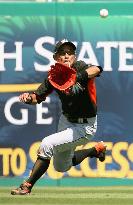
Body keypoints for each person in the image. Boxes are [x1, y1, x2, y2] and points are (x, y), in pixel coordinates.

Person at [11, 39, 106, 195]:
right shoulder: (54, 76)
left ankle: (26, 186)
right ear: (56, 58)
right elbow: (37, 97)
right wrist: (28, 98)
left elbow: (97, 69)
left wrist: (78, 76)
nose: (67, 55)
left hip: (85, 126)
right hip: (66, 121)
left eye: (70, 52)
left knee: (46, 144)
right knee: (61, 167)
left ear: (74, 56)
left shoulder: (80, 66)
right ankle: (95, 150)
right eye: (62, 53)